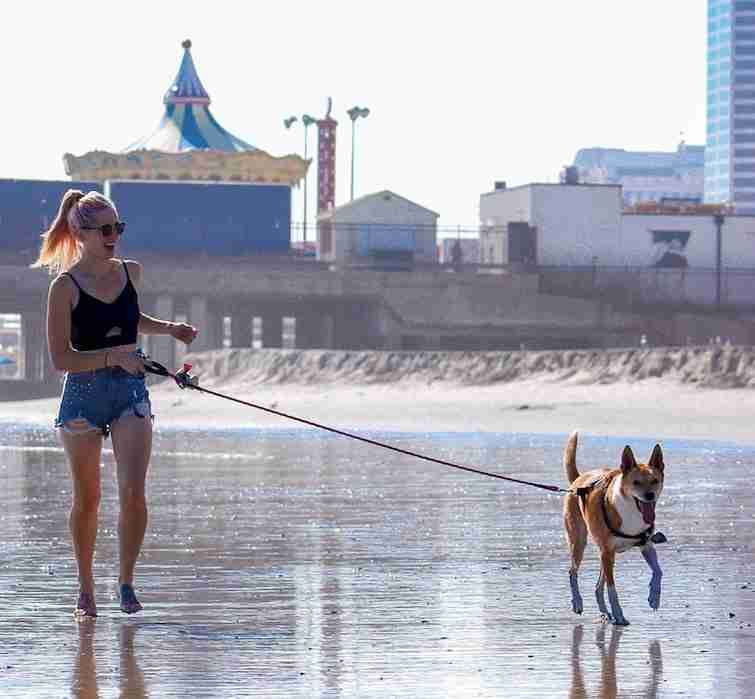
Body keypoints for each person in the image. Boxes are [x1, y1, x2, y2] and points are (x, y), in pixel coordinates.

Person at [33, 189, 198, 617]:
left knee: (133, 493)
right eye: (105, 229)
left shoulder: (131, 271)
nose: (113, 236)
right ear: (79, 232)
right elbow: (60, 358)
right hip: (82, 395)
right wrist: (112, 357)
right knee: (87, 499)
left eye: (118, 227)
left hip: (130, 392)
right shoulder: (62, 288)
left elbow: (129, 317)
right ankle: (85, 588)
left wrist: (170, 329)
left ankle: (125, 583)